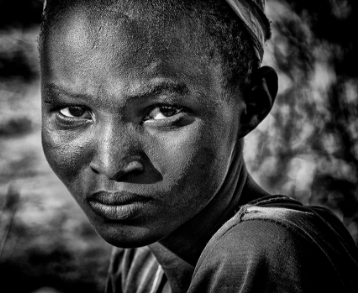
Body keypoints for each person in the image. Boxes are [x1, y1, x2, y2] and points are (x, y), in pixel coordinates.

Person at [38, 0, 358, 292]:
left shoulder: (259, 254)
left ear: (252, 103)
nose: (110, 163)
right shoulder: (143, 261)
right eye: (74, 111)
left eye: (163, 111)